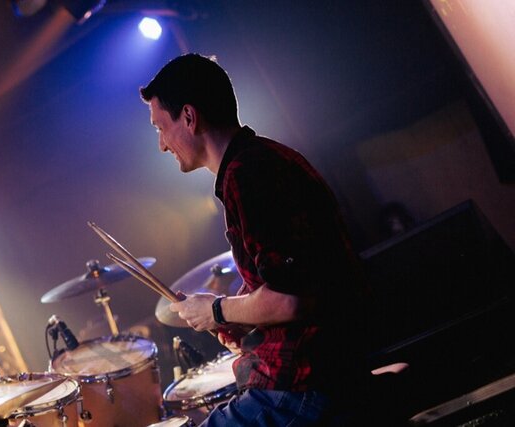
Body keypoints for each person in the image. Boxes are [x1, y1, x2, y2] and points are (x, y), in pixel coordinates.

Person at [140, 54, 371, 425]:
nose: (162, 145)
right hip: (318, 375)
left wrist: (216, 310)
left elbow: (291, 299)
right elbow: (295, 284)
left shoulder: (250, 174)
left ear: (189, 117)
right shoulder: (260, 160)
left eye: (160, 128)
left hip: (304, 388)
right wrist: (238, 319)